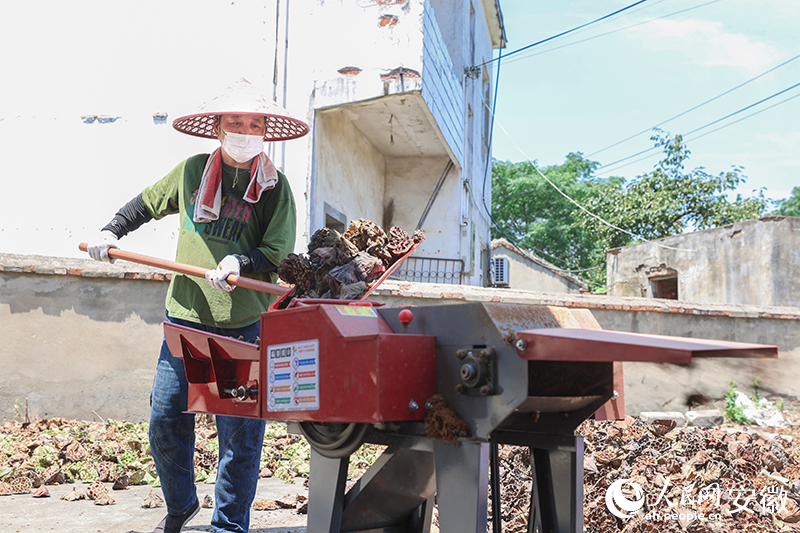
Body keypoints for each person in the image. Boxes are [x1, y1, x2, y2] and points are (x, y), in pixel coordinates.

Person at [87, 78, 308, 533]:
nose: (245, 131)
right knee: (165, 420)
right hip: (184, 322)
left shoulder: (274, 187)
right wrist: (111, 231)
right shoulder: (191, 173)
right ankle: (181, 503)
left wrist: (239, 260)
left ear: (265, 130)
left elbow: (278, 253)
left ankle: (228, 526)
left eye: (254, 123)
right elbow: (146, 204)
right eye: (236, 122)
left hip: (242, 326)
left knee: (237, 440)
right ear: (218, 128)